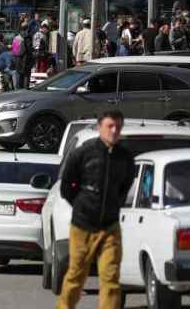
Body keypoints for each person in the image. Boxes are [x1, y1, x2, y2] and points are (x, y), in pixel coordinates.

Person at [56, 110, 134, 309]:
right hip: (83, 225)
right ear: (100, 127)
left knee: (111, 277)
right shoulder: (84, 152)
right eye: (110, 126)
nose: (114, 131)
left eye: (118, 126)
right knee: (76, 275)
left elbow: (125, 186)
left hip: (110, 226)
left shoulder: (125, 157)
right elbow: (66, 186)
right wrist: (82, 205)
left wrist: (114, 205)